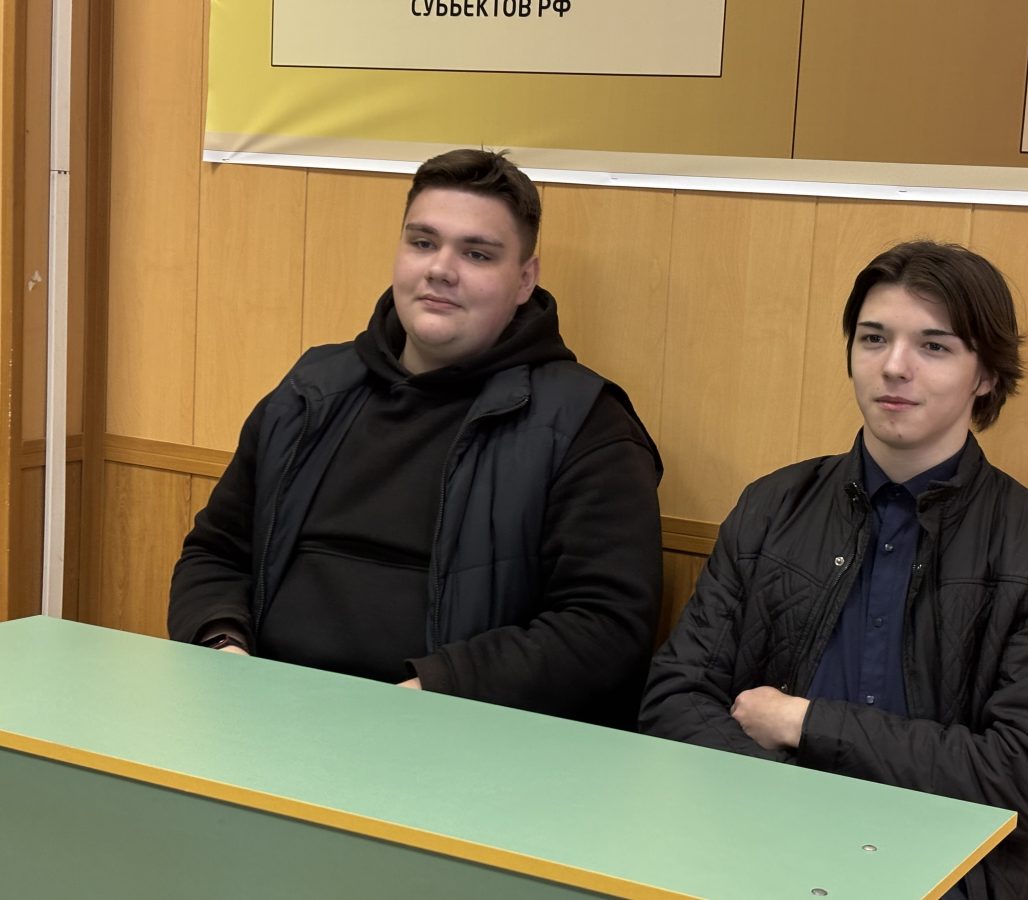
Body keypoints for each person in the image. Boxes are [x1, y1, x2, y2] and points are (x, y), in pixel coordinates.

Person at [640, 241, 1028, 897]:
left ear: (986, 375)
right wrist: (784, 804)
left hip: (955, 877)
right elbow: (674, 698)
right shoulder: (773, 506)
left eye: (934, 346)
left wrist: (805, 723)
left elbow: (1025, 779)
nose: (894, 367)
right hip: (761, 851)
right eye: (874, 338)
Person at [169, 148, 663, 729]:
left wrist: (430, 692)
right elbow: (216, 553)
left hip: (451, 740)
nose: (440, 269)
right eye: (423, 242)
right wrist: (222, 648)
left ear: (525, 279)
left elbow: (605, 628)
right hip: (258, 717)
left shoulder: (584, 423)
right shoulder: (311, 392)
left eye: (477, 253)